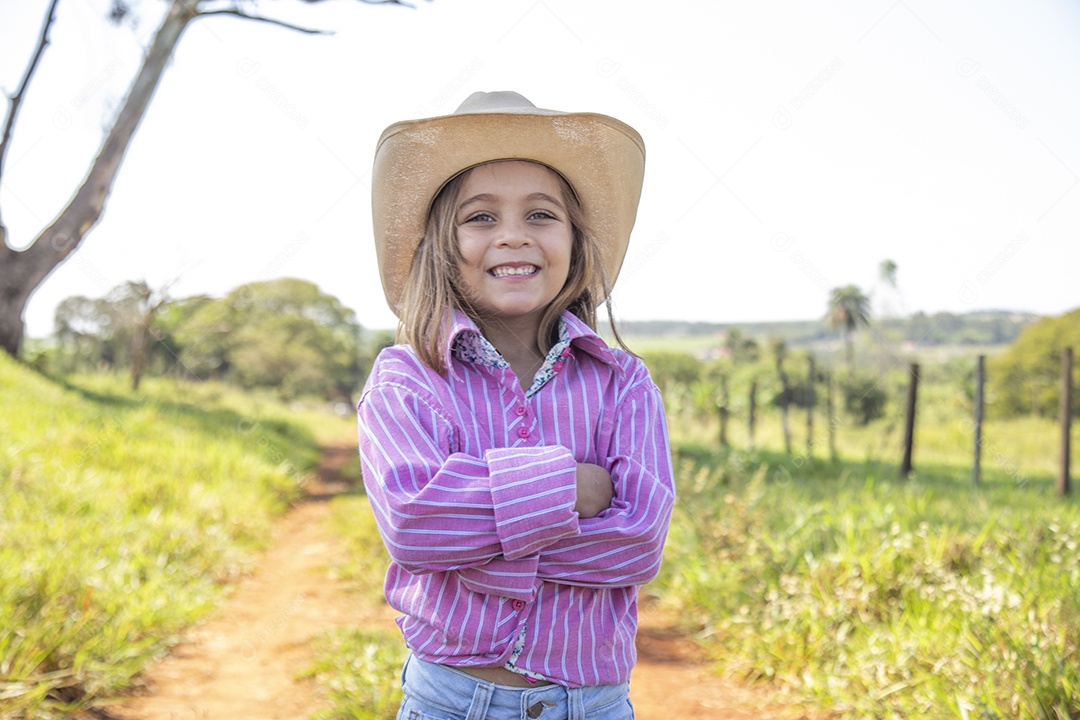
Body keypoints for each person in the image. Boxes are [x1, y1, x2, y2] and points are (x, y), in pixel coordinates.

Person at [357, 90, 675, 720]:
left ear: (574, 240)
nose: (512, 236)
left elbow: (639, 542)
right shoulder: (407, 380)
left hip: (592, 706)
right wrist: (572, 486)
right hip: (450, 702)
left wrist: (477, 557)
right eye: (480, 217)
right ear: (441, 244)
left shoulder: (624, 384)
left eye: (540, 215)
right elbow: (417, 526)